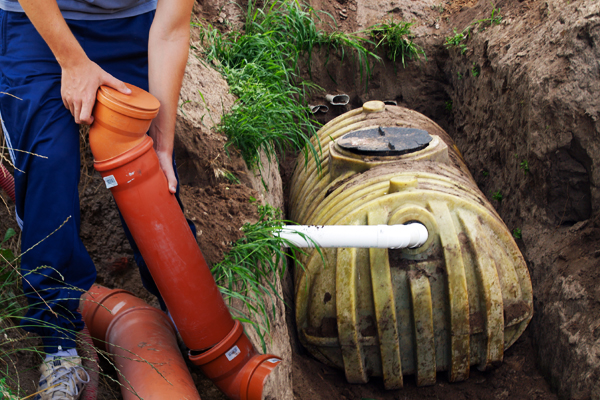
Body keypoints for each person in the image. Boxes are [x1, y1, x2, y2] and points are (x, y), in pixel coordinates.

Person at [0, 0, 195, 398]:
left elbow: (171, 29)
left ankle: (188, 313)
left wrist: (161, 141)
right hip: (36, 24)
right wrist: (73, 63)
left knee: (150, 173)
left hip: (129, 25)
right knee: (50, 161)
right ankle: (57, 342)